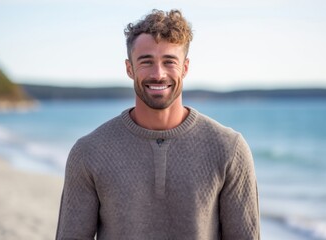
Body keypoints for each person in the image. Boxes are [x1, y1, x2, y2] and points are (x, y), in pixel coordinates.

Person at [56, 9, 260, 240]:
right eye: (146, 61)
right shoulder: (89, 152)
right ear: (129, 68)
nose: (158, 74)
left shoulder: (229, 149)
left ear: (185, 68)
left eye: (169, 61)